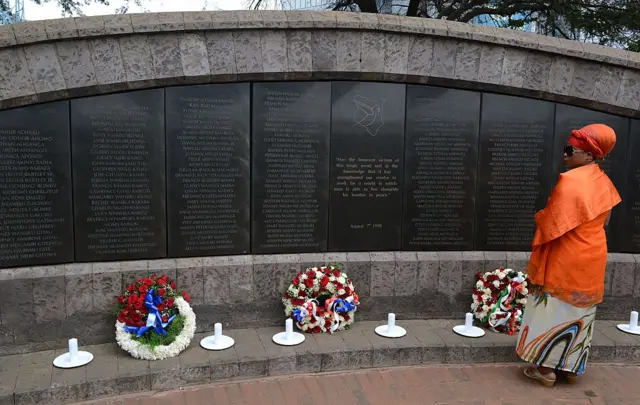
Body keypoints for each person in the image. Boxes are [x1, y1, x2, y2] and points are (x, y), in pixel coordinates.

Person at [516, 123, 621, 387]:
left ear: (587, 155)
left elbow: (551, 225)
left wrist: (539, 216)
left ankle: (546, 370)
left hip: (566, 256)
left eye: (570, 149)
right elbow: (604, 222)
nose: (564, 154)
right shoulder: (604, 182)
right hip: (593, 254)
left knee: (554, 308)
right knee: (580, 308)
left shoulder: (570, 181)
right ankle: (572, 368)